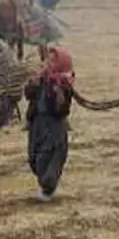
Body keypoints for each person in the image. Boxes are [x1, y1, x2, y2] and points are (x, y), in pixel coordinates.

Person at [24, 46, 75, 202]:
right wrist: (33, 83)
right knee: (34, 157)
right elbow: (29, 95)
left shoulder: (64, 83)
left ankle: (48, 188)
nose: (49, 63)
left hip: (54, 125)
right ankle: (44, 183)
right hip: (37, 123)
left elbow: (63, 108)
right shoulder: (41, 78)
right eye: (48, 59)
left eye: (53, 60)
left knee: (50, 156)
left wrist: (59, 92)